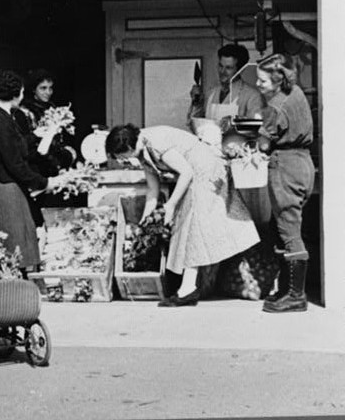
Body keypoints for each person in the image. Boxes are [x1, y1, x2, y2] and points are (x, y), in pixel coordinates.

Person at [105, 124, 259, 307]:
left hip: (206, 172)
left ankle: (188, 289)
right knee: (187, 227)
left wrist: (170, 205)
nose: (123, 161)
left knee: (192, 225)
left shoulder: (156, 142)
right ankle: (188, 287)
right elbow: (152, 191)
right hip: (194, 176)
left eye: (122, 157)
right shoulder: (142, 152)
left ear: (129, 147)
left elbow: (186, 173)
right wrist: (144, 221)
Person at [0, 70, 62, 276]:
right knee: (13, 239)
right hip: (4, 185)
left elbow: (16, 148)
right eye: (22, 92)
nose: (23, 96)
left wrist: (35, 135)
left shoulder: (3, 116)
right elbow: (14, 161)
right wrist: (43, 182)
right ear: (15, 93)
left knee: (21, 235)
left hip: (8, 183)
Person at [254, 53, 316, 313]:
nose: (258, 84)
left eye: (263, 81)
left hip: (285, 167)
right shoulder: (297, 94)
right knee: (288, 227)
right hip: (303, 163)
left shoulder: (274, 107)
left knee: (288, 231)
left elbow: (264, 143)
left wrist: (255, 141)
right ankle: (286, 289)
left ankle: (295, 295)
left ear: (278, 81)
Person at [189, 44, 264, 125]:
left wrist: (232, 124)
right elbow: (194, 125)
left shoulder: (252, 96)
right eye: (220, 66)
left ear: (240, 70)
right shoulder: (210, 94)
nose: (222, 71)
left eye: (228, 68)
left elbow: (256, 130)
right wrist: (196, 103)